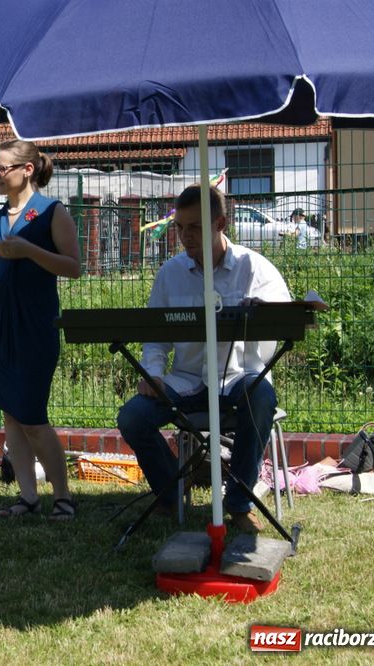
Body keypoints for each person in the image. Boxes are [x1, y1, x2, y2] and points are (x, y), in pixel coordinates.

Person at [116, 184, 291, 533]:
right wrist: (153, 375)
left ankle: (239, 503)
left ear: (221, 223)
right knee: (133, 416)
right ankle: (171, 491)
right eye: (180, 226)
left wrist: (262, 314)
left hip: (240, 376)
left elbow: (286, 321)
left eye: (194, 227)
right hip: (186, 379)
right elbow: (155, 336)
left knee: (261, 395)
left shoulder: (255, 268)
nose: (184, 236)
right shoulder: (171, 272)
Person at [0, 140, 81, 520]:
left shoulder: (51, 212)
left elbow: (73, 267)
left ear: (26, 170)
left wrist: (30, 251)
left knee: (31, 413)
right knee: (12, 414)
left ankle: (62, 496)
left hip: (35, 324)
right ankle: (27, 496)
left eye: (1, 169)